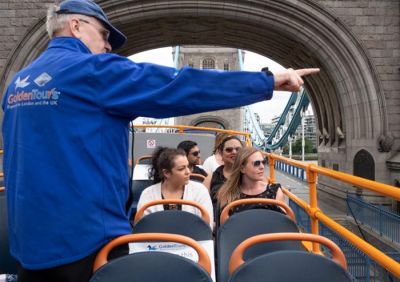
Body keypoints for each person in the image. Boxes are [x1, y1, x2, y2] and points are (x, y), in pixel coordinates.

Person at [1, 0, 319, 280]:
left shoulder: (18, 84)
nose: (109, 47)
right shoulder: (93, 71)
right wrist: (268, 81)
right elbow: (179, 87)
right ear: (76, 25)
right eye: (104, 36)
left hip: (28, 246)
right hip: (85, 243)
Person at [137, 147, 213, 229]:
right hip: (157, 241)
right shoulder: (148, 194)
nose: (188, 172)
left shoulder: (200, 190)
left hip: (193, 240)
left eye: (187, 166)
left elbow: (207, 226)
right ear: (166, 173)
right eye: (181, 169)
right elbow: (142, 228)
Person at [217, 147, 285, 221]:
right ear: (242, 168)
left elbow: (283, 224)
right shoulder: (227, 194)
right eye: (256, 163)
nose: (262, 167)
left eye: (263, 162)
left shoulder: (275, 191)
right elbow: (225, 228)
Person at [209, 135, 243, 219]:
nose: (234, 152)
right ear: (221, 153)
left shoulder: (251, 175)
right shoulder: (211, 178)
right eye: (229, 150)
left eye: (238, 149)